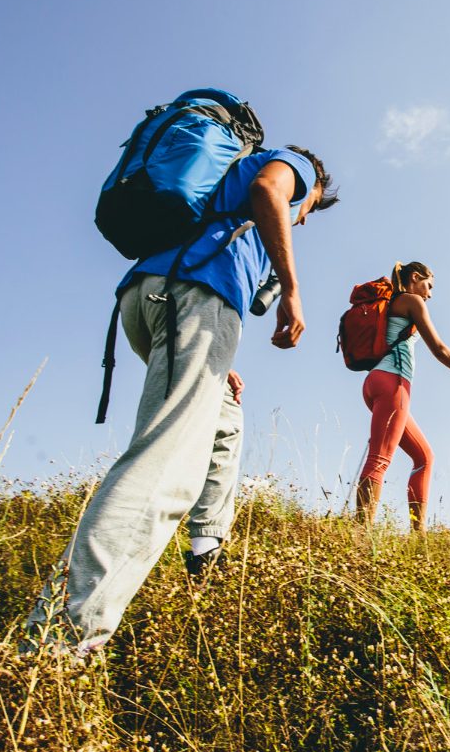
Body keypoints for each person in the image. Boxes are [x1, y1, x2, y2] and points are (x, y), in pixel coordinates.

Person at [22, 145, 336, 655]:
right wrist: (294, 289)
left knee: (224, 418)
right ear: (313, 186)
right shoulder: (290, 167)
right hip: (195, 295)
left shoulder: (225, 174)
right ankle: (57, 645)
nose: (301, 217)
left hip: (151, 298)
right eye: (309, 209)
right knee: (166, 465)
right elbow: (269, 192)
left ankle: (206, 544)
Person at [355, 262, 450, 531]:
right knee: (379, 459)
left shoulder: (391, 302)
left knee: (424, 457)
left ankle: (418, 536)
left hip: (374, 382)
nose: (430, 294)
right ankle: (361, 534)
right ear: (415, 278)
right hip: (393, 384)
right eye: (429, 286)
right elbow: (439, 349)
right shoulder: (411, 301)